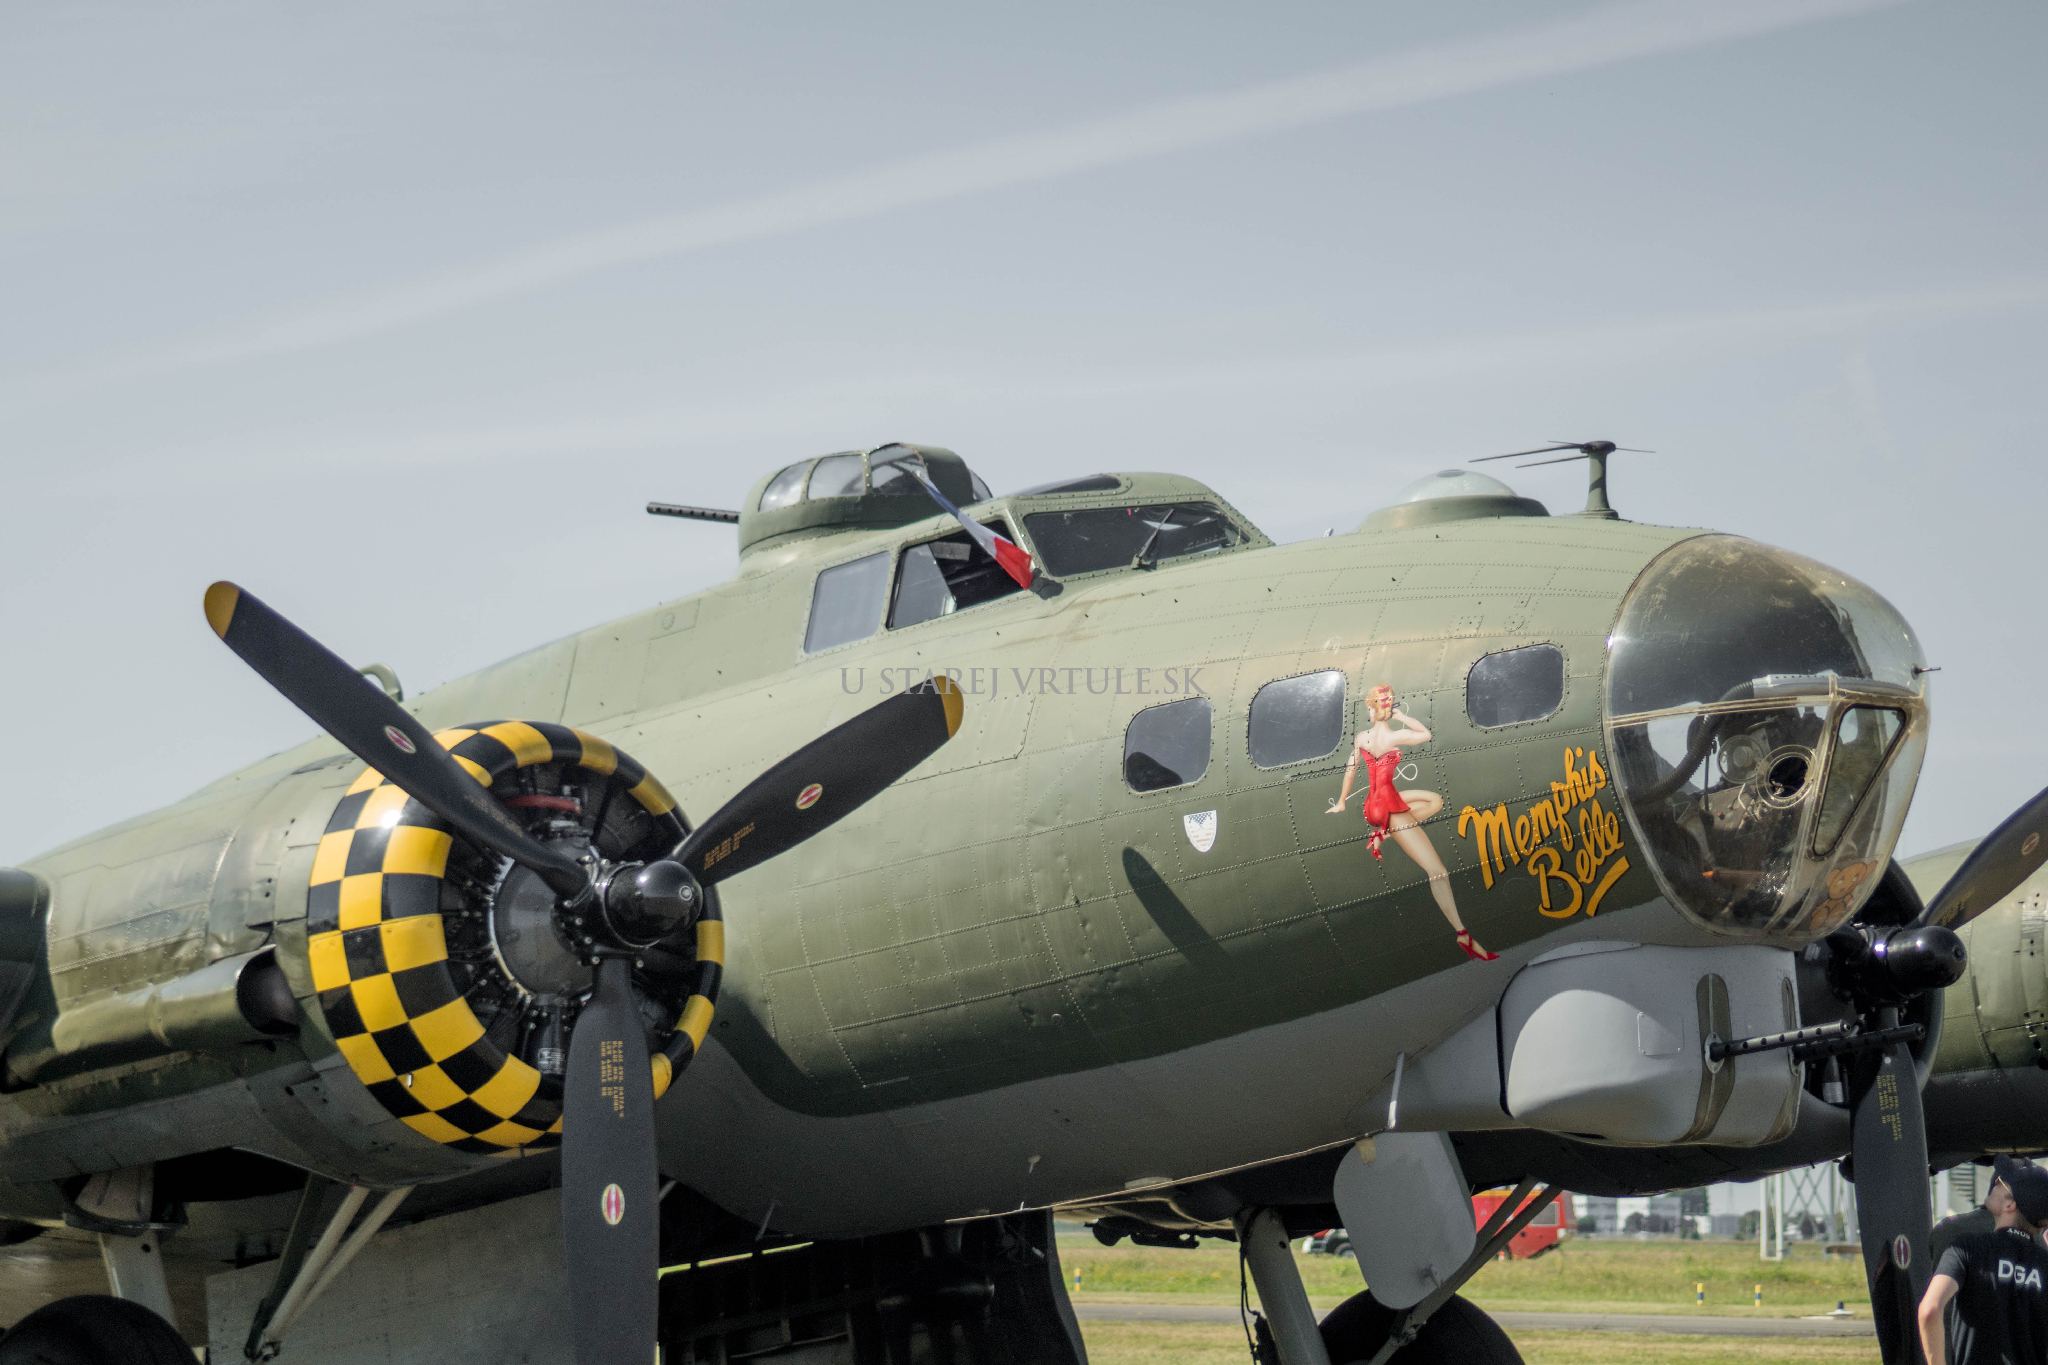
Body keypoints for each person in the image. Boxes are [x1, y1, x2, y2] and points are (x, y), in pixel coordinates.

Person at [1327, 684, 1495, 961]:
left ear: (1371, 710)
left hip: (1376, 803)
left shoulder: (1362, 738)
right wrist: (1401, 717)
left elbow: (1350, 770)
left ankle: (1384, 834)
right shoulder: (1396, 737)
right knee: (1437, 871)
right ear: (1385, 710)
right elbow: (1425, 734)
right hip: (1390, 807)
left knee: (1434, 801)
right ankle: (1461, 933)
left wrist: (1342, 801)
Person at [1919, 1160, 2048, 1364]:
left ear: (2009, 1205)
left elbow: (1930, 1310)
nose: (1994, 1183)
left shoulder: (1966, 1248)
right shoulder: (2044, 1263)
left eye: (2001, 1182)